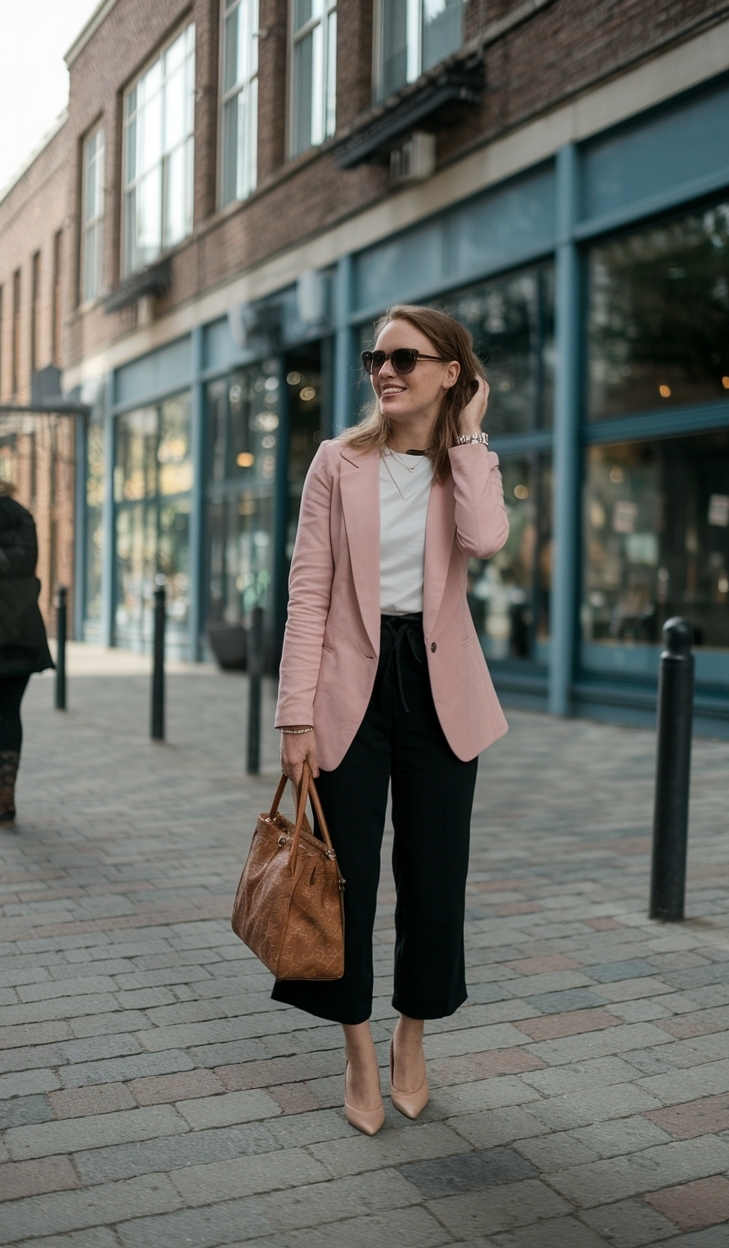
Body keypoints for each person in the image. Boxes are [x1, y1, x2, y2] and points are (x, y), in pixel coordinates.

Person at [274, 304, 510, 1135]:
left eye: (406, 358)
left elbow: (485, 540)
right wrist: (294, 717)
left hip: (440, 686)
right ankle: (358, 1052)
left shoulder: (465, 464)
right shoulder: (339, 462)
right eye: (377, 356)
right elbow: (308, 594)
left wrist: (471, 437)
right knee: (345, 885)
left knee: (436, 878)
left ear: (452, 372)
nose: (385, 370)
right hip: (349, 686)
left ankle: (413, 1036)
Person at [0, 484, 54, 823]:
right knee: (8, 713)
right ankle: (6, 796)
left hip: (14, 636)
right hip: (22, 633)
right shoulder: (21, 516)